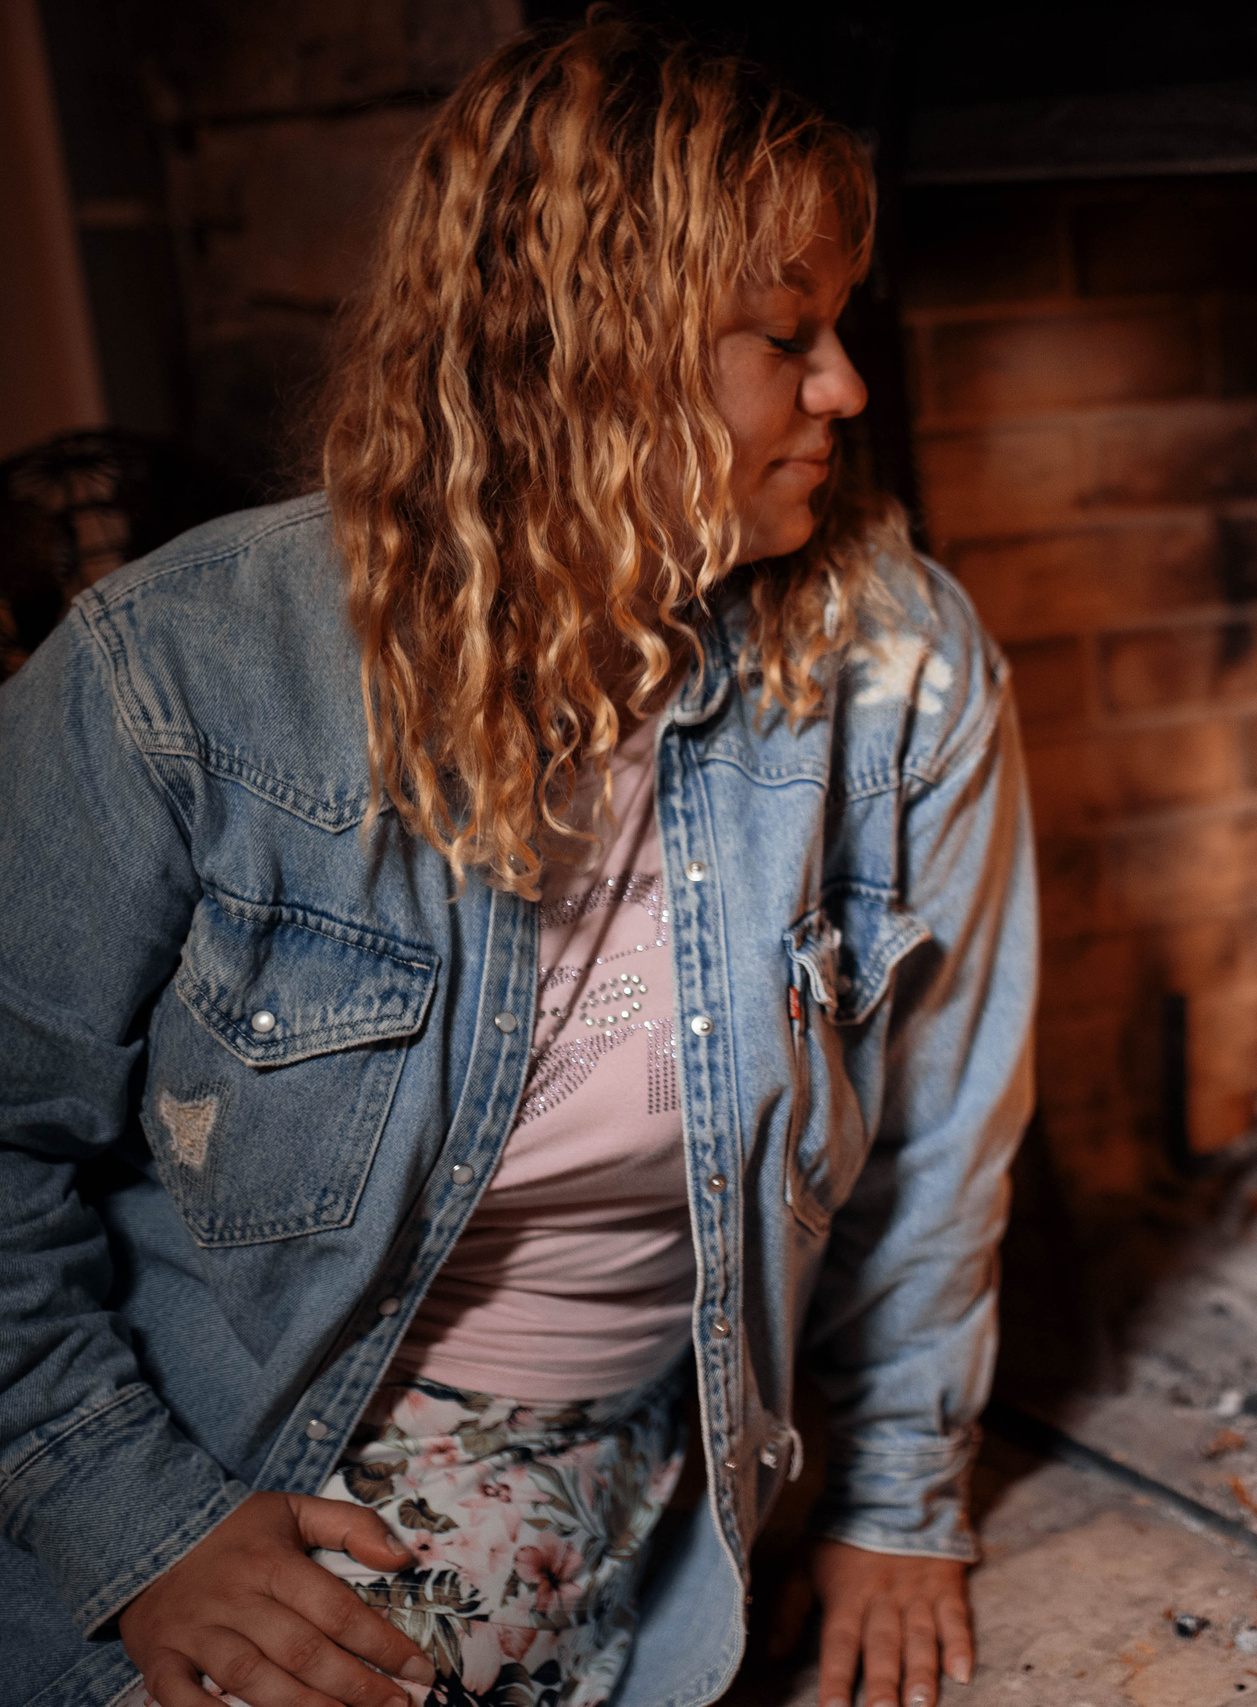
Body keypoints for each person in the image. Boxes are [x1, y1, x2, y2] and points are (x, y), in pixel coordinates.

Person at [0, 20, 1035, 1707]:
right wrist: (137, 1519)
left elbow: (942, 1142)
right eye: (787, 336)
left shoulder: (899, 673)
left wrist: (899, 1502)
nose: (845, 387)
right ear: (597, 351)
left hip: (539, 1442)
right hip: (175, 1404)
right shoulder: (178, 674)